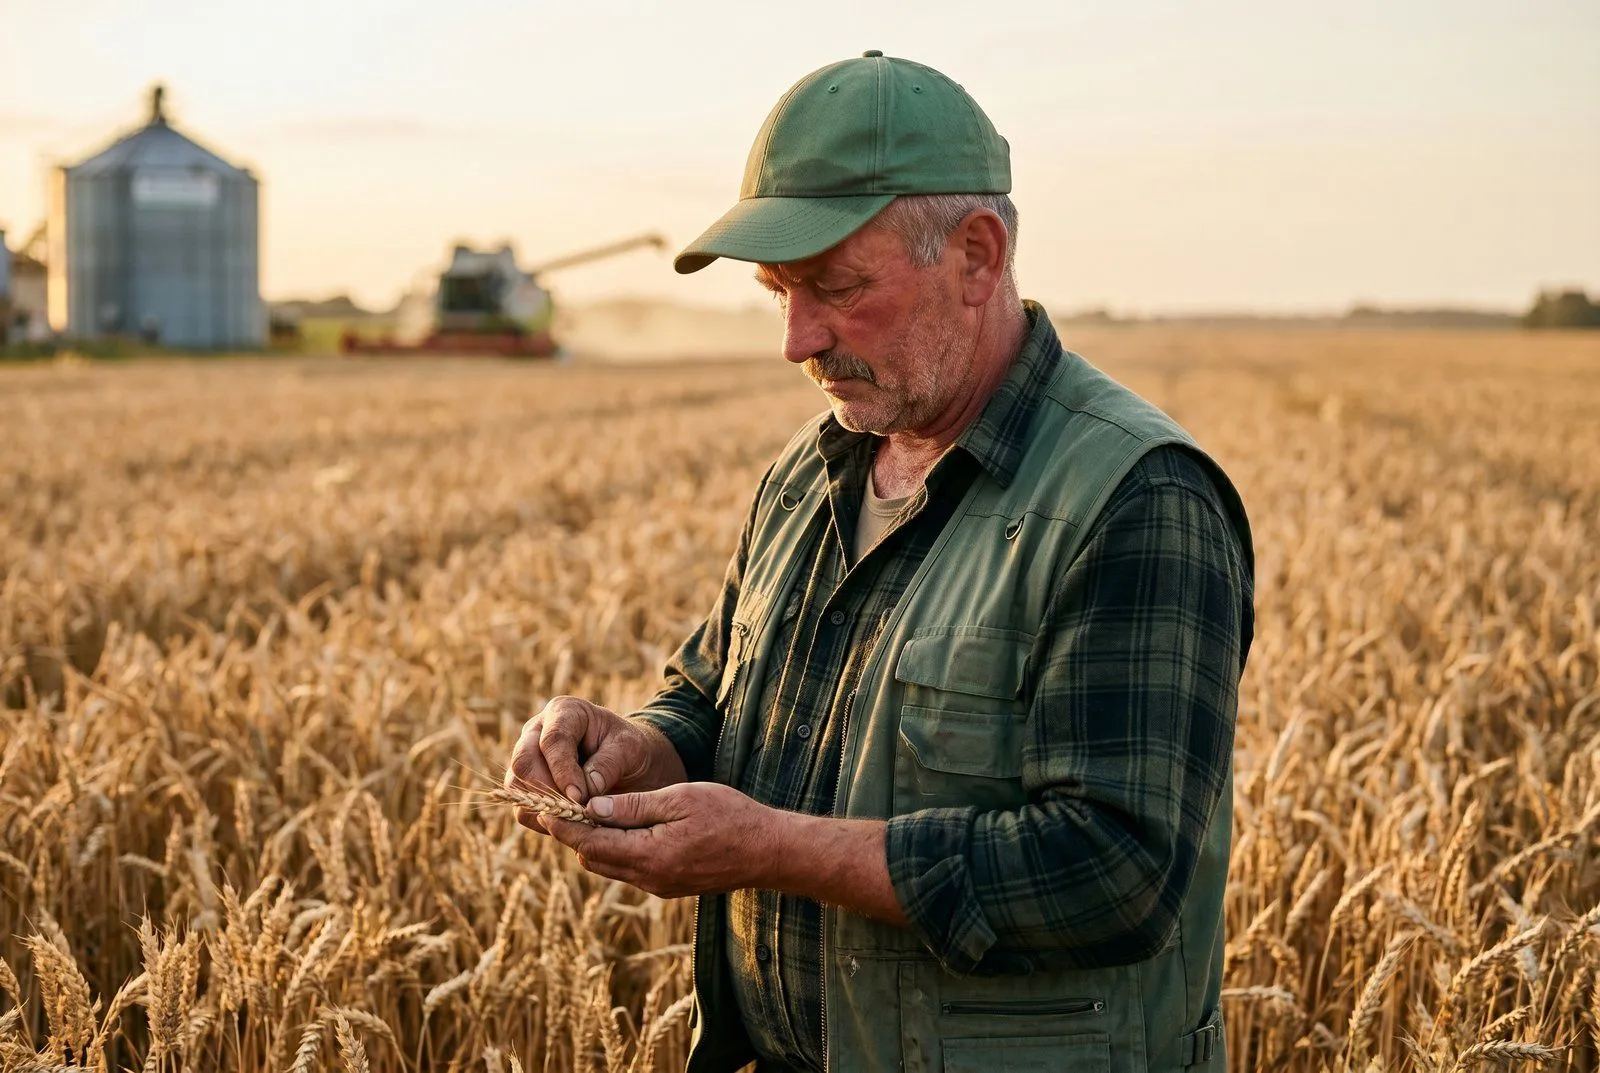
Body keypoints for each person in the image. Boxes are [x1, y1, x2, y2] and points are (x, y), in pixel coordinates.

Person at [506, 50, 1253, 1073]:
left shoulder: (1135, 497)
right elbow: (716, 697)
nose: (797, 339)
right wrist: (637, 745)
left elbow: (1112, 868)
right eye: (777, 291)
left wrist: (773, 847)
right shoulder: (808, 473)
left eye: (836, 286)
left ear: (976, 257)